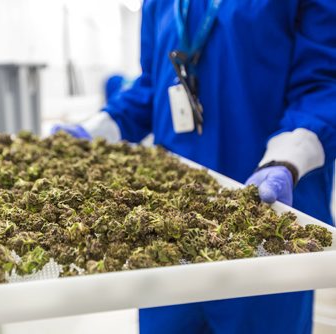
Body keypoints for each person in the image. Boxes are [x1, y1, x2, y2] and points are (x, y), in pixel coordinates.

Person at [52, 0, 336, 333]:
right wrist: (99, 126)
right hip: (167, 232)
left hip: (265, 227)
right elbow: (153, 85)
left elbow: (325, 86)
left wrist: (288, 158)